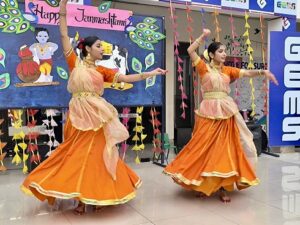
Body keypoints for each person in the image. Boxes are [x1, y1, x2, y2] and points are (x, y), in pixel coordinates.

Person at [21, 0, 167, 215]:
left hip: (98, 116)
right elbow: (63, 36)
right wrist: (63, 10)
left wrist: (151, 73)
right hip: (79, 115)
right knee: (77, 155)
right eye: (98, 46)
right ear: (87, 49)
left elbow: (127, 77)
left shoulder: (102, 70)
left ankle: (97, 194)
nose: (102, 48)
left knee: (98, 155)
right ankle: (80, 197)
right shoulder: (74, 63)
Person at [164, 29, 278, 203]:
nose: (224, 54)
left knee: (225, 150)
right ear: (211, 54)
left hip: (225, 111)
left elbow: (247, 73)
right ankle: (203, 185)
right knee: (203, 148)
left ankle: (223, 187)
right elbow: (190, 51)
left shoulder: (228, 70)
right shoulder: (202, 67)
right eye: (221, 51)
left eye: (225, 51)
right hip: (207, 112)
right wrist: (202, 36)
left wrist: (264, 72)